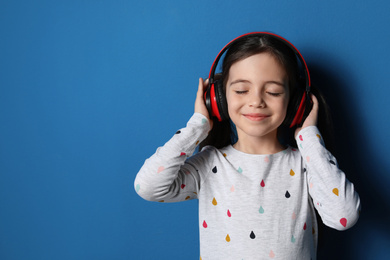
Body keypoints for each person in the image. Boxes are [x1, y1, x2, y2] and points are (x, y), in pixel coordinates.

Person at [134, 32, 360, 260]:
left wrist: (309, 139)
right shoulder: (211, 163)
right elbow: (148, 187)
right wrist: (198, 125)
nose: (256, 101)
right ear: (218, 97)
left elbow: (344, 216)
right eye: (242, 90)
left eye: (273, 92)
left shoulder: (305, 164)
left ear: (295, 102)